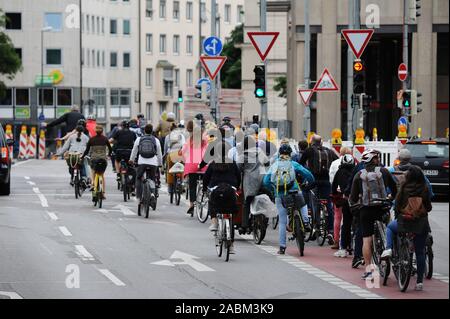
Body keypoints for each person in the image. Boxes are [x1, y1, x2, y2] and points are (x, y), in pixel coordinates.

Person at [381, 165, 432, 291]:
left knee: (390, 228)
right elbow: (429, 207)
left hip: (405, 223)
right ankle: (419, 282)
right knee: (420, 252)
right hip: (420, 224)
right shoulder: (425, 189)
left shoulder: (403, 188)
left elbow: (397, 206)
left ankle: (388, 248)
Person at [349, 149, 397, 280]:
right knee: (391, 229)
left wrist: (355, 208)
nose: (379, 159)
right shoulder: (384, 172)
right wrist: (390, 198)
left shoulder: (359, 174)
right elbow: (395, 188)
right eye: (377, 158)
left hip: (366, 210)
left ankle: (369, 270)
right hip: (382, 207)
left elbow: (353, 197)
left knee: (367, 239)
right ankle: (392, 250)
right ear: (374, 160)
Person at [263, 144, 315, 255]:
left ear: (279, 154)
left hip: (280, 195)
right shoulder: (293, 164)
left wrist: (273, 190)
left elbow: (266, 181)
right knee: (302, 204)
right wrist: (310, 183)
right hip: (294, 191)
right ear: (290, 154)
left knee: (282, 221)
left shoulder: (275, 165)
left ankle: (282, 247)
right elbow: (308, 174)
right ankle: (306, 222)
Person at [299, 134, 338, 241]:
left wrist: (303, 177)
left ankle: (316, 228)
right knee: (328, 204)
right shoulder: (329, 151)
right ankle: (330, 231)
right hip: (326, 181)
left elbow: (300, 164)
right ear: (321, 142)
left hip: (313, 181)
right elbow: (337, 161)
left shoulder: (309, 150)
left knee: (315, 204)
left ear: (311, 142)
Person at [237, 135, 270, 233]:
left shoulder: (243, 155)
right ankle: (264, 220)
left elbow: (238, 168)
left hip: (249, 183)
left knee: (246, 203)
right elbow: (267, 163)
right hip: (262, 180)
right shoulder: (259, 152)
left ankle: (244, 225)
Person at [129, 124, 163, 205]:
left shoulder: (139, 139)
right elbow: (159, 153)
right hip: (153, 163)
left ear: (144, 131)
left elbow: (134, 151)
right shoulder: (156, 140)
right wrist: (160, 164)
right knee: (152, 179)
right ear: (152, 131)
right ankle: (152, 194)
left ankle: (139, 197)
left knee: (139, 177)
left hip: (142, 162)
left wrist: (131, 160)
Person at [181, 120, 208, 216]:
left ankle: (192, 204)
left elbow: (183, 152)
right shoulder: (205, 141)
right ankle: (205, 198)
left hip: (192, 166)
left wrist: (186, 160)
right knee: (206, 183)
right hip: (203, 166)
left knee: (192, 186)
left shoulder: (189, 141)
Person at [331, 154, 355, 257]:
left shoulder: (339, 172)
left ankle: (344, 248)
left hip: (346, 199)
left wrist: (335, 196)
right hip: (357, 200)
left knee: (346, 223)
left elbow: (334, 186)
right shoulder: (356, 171)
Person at [328, 147, 353, 248]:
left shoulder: (335, 163)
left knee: (337, 217)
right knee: (349, 219)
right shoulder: (353, 164)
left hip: (339, 194)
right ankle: (349, 241)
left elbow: (331, 179)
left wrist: (334, 192)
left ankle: (336, 241)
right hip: (350, 195)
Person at [82, 125, 112, 200]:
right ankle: (103, 193)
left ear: (96, 131)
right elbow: (110, 149)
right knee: (101, 174)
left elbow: (86, 150)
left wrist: (82, 157)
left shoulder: (91, 139)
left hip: (94, 159)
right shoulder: (105, 139)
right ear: (102, 131)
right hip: (103, 159)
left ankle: (93, 185)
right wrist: (108, 155)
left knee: (93, 172)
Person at [164, 123, 186, 195]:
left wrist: (164, 156)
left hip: (171, 155)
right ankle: (181, 183)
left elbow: (166, 148)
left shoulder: (168, 136)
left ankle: (170, 188)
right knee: (182, 169)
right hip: (180, 154)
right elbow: (184, 146)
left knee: (170, 170)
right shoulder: (181, 136)